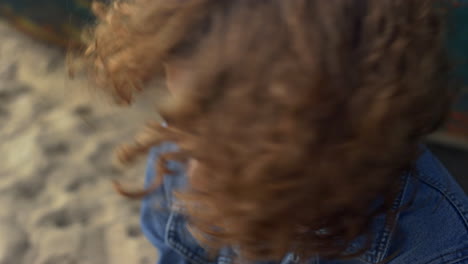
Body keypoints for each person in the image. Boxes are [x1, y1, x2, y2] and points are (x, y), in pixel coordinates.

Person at [83, 0, 468, 263]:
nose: (195, 175)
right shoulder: (182, 150)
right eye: (191, 120)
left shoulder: (429, 246)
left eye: (240, 146)